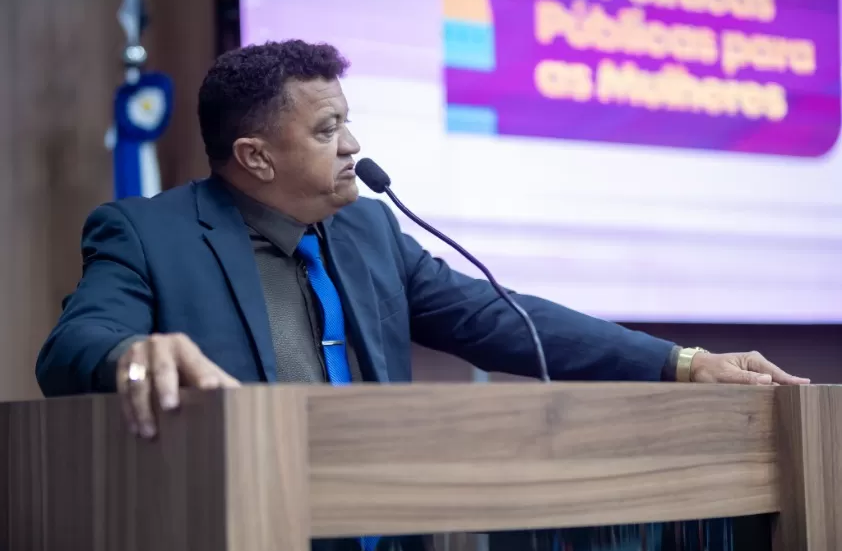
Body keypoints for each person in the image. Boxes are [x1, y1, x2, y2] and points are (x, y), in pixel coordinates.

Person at [36, 39, 809, 439]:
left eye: (348, 121)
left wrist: (683, 363)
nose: (352, 145)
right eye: (328, 129)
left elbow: (502, 319)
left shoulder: (367, 229)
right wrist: (130, 355)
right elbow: (73, 345)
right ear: (256, 157)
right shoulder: (149, 234)